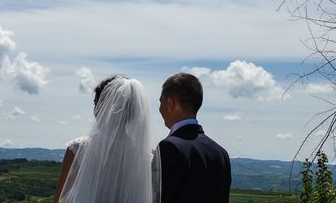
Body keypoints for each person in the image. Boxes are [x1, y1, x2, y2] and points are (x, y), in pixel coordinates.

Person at [54, 75, 156, 203]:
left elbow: (59, 199)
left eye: (95, 103)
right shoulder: (145, 157)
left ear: (103, 108)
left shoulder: (77, 149)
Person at [156, 73, 231, 203]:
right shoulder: (221, 153)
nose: (159, 109)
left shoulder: (169, 147)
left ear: (170, 103)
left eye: (160, 102)